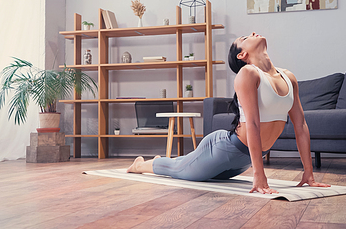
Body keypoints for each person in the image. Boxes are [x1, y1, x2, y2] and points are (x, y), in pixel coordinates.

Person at [127, 32, 330, 193]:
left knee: (197, 170)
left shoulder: (289, 77)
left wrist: (309, 174)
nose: (252, 33)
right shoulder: (248, 73)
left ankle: (168, 161)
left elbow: (301, 126)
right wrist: (259, 176)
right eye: (244, 38)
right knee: (178, 171)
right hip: (223, 149)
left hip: (245, 159)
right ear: (242, 55)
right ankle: (140, 165)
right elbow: (252, 123)